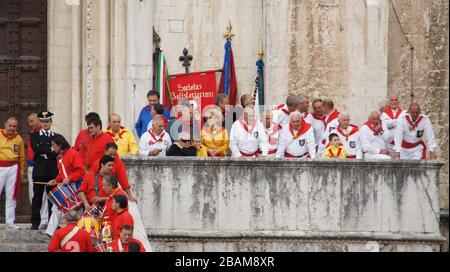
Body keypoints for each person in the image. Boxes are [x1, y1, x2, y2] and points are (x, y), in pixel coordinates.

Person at [44, 134, 85, 237]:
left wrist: (69, 178)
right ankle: (50, 232)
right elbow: (63, 174)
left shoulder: (73, 154)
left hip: (76, 186)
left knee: (77, 211)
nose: (52, 147)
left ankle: (79, 234)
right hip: (67, 186)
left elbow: (80, 172)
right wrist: (56, 180)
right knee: (57, 207)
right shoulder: (61, 156)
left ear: (60, 145)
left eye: (54, 145)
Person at [30, 111, 58, 230]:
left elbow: (59, 149)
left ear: (51, 122)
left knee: (52, 198)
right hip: (40, 169)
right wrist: (50, 150)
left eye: (47, 121)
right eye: (43, 121)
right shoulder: (34, 136)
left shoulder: (56, 136)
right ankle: (35, 223)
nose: (45, 124)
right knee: (37, 197)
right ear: (40, 122)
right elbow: (36, 149)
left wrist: (45, 150)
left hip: (52, 170)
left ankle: (52, 223)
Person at [0, 117, 25, 230]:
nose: (12, 128)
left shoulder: (19, 138)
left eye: (14, 126)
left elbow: (22, 156)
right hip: (1, 166)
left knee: (11, 195)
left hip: (13, 167)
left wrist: (21, 171)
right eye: (10, 126)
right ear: (5, 124)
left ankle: (10, 221)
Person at [26, 113, 48, 230]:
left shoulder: (44, 134)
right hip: (31, 167)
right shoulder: (32, 134)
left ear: (39, 121)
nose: (30, 124)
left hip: (41, 167)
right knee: (33, 195)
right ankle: (36, 219)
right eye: (29, 122)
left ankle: (44, 220)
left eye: (32, 121)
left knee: (43, 195)